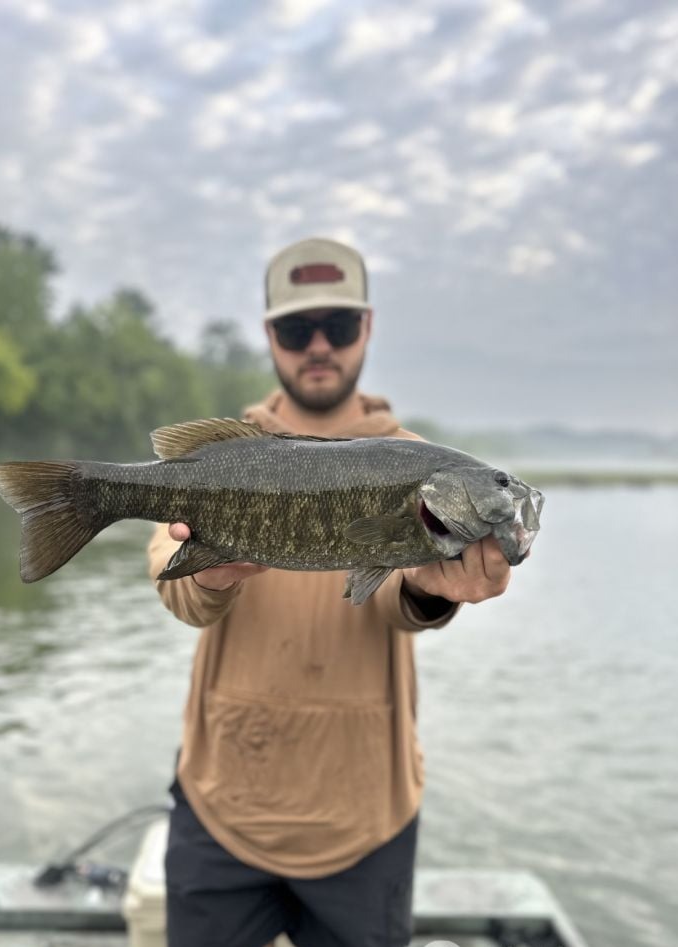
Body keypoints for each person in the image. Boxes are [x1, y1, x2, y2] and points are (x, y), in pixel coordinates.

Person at [147, 236, 512, 947]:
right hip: (222, 804)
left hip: (365, 820)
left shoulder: (421, 465)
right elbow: (173, 577)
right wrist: (206, 574)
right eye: (296, 329)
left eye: (338, 325)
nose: (318, 345)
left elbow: (400, 598)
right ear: (270, 336)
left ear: (367, 328)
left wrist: (433, 590)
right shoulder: (226, 458)